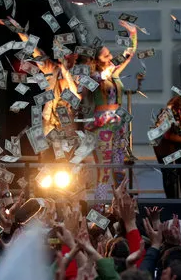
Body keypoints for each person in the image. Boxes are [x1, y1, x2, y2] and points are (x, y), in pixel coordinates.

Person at [84, 20, 138, 201]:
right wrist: (101, 75)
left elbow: (128, 54)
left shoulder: (113, 72)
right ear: (97, 60)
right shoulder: (94, 76)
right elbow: (84, 88)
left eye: (109, 54)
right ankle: (99, 210)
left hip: (118, 122)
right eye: (105, 55)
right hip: (103, 124)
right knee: (105, 169)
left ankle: (120, 206)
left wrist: (133, 33)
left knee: (119, 167)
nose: (109, 57)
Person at [32, 47, 81, 161]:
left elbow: (77, 96)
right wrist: (20, 32)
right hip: (49, 123)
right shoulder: (53, 70)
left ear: (76, 57)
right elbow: (37, 53)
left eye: (70, 55)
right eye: (64, 55)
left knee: (64, 161)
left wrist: (66, 74)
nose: (67, 58)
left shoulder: (79, 76)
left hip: (67, 127)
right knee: (45, 160)